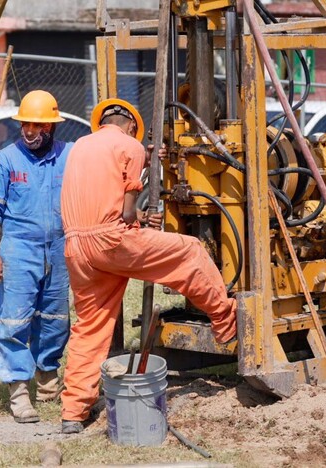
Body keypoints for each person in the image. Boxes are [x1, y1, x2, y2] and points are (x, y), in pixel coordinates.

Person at [59, 98, 237, 434]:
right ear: (130, 126)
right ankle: (226, 321)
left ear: (103, 121)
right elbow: (126, 214)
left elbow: (109, 206)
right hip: (110, 241)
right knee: (191, 251)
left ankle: (73, 412)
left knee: (91, 326)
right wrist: (136, 218)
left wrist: (136, 217)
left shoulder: (81, 145)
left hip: (76, 246)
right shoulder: (130, 146)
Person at [0, 90, 72, 423]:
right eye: (25, 124)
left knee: (55, 319)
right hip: (19, 247)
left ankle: (47, 380)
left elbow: (107, 162)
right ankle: (18, 391)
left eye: (38, 125)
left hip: (60, 248)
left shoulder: (70, 156)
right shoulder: (4, 161)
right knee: (14, 320)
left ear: (53, 127)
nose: (30, 131)